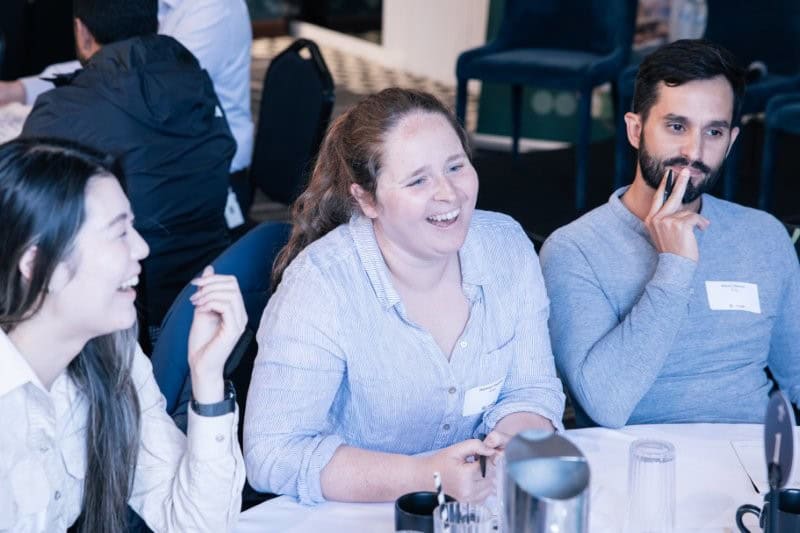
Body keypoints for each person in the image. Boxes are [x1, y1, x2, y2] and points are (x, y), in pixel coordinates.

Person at [244, 88, 565, 505]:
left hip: (477, 509)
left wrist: (511, 442)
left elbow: (532, 388)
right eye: (418, 180)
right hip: (351, 516)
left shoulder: (507, 247)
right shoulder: (320, 286)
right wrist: (423, 476)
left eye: (456, 166)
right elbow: (272, 453)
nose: (449, 194)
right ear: (367, 199)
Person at [539, 39, 800, 429]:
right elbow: (604, 404)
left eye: (714, 132)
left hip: (754, 455)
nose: (694, 151)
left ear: (731, 142)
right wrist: (674, 268)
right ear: (636, 130)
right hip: (638, 456)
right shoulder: (574, 250)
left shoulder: (764, 236)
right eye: (677, 126)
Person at [0, 138, 246, 531]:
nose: (142, 248)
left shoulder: (112, 355)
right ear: (39, 263)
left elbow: (197, 524)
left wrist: (207, 377)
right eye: (119, 233)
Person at [19, 0, 236, 337]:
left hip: (121, 310)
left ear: (82, 32)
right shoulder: (194, 81)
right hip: (203, 292)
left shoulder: (60, 112)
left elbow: (27, 212)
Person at [0, 0, 254, 186]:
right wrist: (20, 90)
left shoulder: (215, 8)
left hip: (214, 178)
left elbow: (144, 85)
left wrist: (55, 113)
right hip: (157, 158)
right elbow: (111, 61)